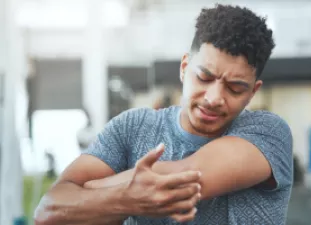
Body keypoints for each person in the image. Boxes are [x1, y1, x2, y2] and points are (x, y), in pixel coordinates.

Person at [34, 4, 293, 225]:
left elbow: (184, 178)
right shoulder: (132, 127)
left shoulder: (268, 133)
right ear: (184, 68)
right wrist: (126, 197)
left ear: (252, 92)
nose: (214, 98)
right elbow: (49, 211)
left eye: (235, 88)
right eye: (204, 77)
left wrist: (92, 192)